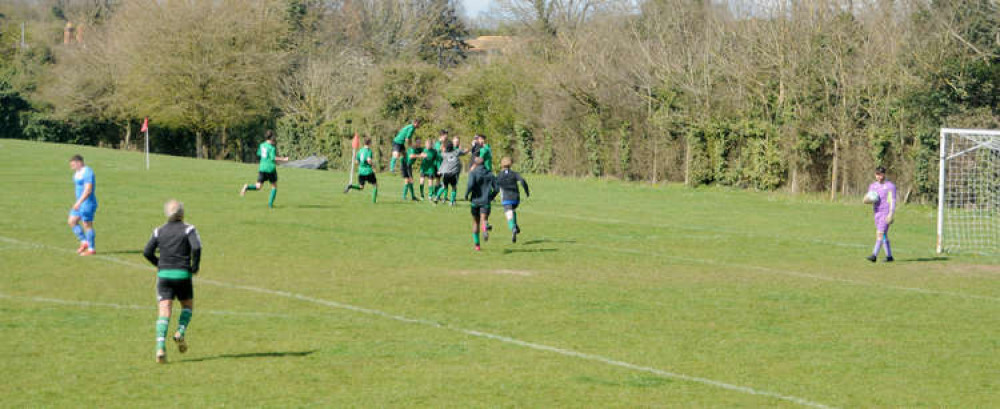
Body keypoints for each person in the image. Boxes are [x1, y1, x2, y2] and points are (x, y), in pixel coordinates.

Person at [143, 200, 202, 364]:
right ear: (182, 213)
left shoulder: (158, 231)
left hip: (164, 276)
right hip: (183, 274)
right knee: (187, 306)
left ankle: (160, 348)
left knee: (164, 311)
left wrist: (159, 264)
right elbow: (196, 247)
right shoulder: (189, 229)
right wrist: (194, 266)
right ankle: (180, 332)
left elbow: (147, 251)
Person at [240, 130, 289, 208]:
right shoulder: (271, 148)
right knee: (274, 186)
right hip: (270, 169)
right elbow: (273, 158)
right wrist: (284, 159)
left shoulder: (262, 145)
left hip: (262, 168)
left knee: (258, 186)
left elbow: (259, 153)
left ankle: (247, 187)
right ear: (272, 137)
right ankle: (270, 205)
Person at [465, 157, 498, 251]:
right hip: (486, 201)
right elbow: (497, 188)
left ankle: (477, 246)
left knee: (475, 222)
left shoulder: (473, 173)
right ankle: (485, 228)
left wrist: (466, 195)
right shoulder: (490, 174)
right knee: (484, 219)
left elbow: (470, 185)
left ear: (475, 164)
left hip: (475, 201)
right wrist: (491, 196)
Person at [68, 154, 98, 256]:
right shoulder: (77, 173)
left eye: (73, 165)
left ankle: (91, 249)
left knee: (87, 225)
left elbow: (88, 190)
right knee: (72, 221)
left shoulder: (88, 172)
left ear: (79, 162)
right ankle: (84, 242)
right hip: (79, 203)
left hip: (87, 203)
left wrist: (79, 202)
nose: (72, 167)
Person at [496, 157, 530, 243]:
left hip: (506, 199)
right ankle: (515, 226)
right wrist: (527, 191)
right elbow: (522, 180)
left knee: (508, 216)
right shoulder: (514, 173)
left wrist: (491, 197)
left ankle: (513, 228)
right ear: (510, 164)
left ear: (502, 165)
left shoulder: (499, 175)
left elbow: (496, 187)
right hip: (515, 199)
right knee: (513, 210)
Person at [866, 166, 896, 263]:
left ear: (884, 174)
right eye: (877, 174)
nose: (879, 176)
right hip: (877, 213)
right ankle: (889, 256)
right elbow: (868, 198)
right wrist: (866, 200)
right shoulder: (873, 186)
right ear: (875, 175)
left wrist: (891, 213)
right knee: (883, 235)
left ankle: (874, 255)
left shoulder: (890, 186)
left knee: (880, 233)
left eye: (881, 174)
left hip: (885, 212)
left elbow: (892, 200)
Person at [344, 138, 378, 203]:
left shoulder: (360, 151)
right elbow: (369, 160)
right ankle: (374, 202)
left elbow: (356, 162)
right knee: (375, 185)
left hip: (361, 172)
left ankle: (350, 186)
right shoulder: (369, 151)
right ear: (369, 143)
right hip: (368, 172)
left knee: (361, 187)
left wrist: (361, 165)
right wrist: (373, 167)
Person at [436, 139, 466, 206]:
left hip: (446, 174)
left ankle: (437, 197)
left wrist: (440, 170)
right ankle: (452, 202)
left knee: (444, 186)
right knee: (454, 187)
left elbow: (440, 154)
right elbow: (464, 153)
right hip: (453, 174)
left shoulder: (444, 154)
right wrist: (467, 150)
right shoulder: (456, 152)